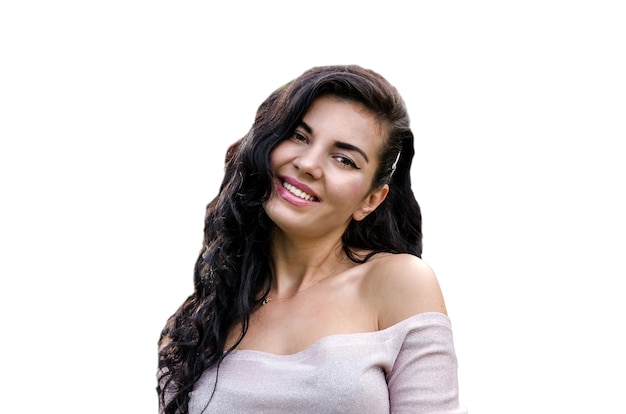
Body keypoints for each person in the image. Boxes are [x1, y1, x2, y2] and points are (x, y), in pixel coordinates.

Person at [157, 64, 466, 414]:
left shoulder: (399, 282)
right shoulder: (198, 323)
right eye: (299, 136)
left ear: (370, 200)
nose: (308, 164)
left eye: (344, 159)